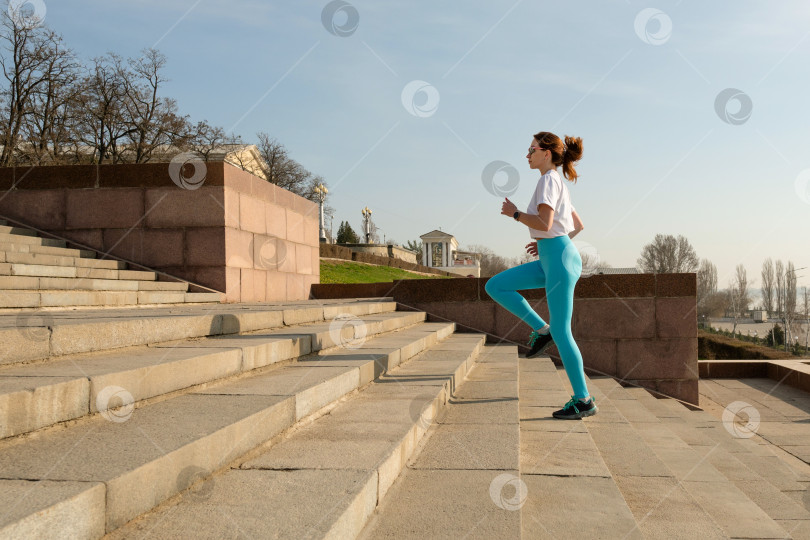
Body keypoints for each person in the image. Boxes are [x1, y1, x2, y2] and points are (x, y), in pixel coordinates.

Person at [484, 131, 597, 420]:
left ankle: (583, 400)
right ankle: (542, 329)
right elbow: (577, 224)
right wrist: (546, 240)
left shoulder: (548, 180)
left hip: (559, 260)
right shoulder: (556, 181)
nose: (527, 155)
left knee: (563, 332)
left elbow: (546, 222)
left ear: (546, 153)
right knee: (496, 286)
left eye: (532, 149)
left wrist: (515, 214)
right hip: (553, 255)